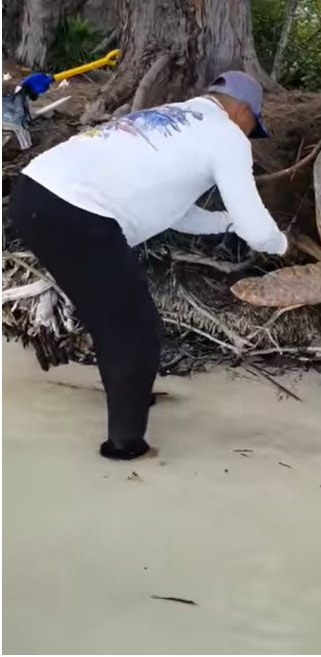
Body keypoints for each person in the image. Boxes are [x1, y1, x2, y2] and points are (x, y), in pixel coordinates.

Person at [11, 71, 290, 460]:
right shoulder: (226, 137)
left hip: (33, 195)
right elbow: (260, 232)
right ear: (243, 111)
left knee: (116, 320)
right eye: (251, 126)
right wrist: (280, 244)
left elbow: (176, 213)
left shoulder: (170, 118)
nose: (248, 134)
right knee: (134, 330)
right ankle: (124, 445)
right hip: (78, 213)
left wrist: (226, 224)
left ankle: (131, 393)